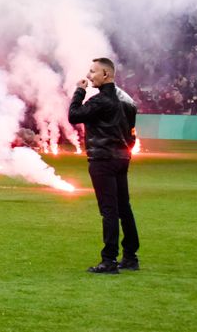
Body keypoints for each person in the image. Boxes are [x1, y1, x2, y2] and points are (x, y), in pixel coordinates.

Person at [68, 57, 140, 274]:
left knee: (108, 210)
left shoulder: (100, 101)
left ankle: (108, 260)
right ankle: (130, 256)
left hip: (102, 159)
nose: (89, 76)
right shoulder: (125, 102)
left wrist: (79, 92)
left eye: (93, 72)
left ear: (106, 75)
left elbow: (73, 116)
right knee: (123, 207)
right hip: (121, 158)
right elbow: (132, 133)